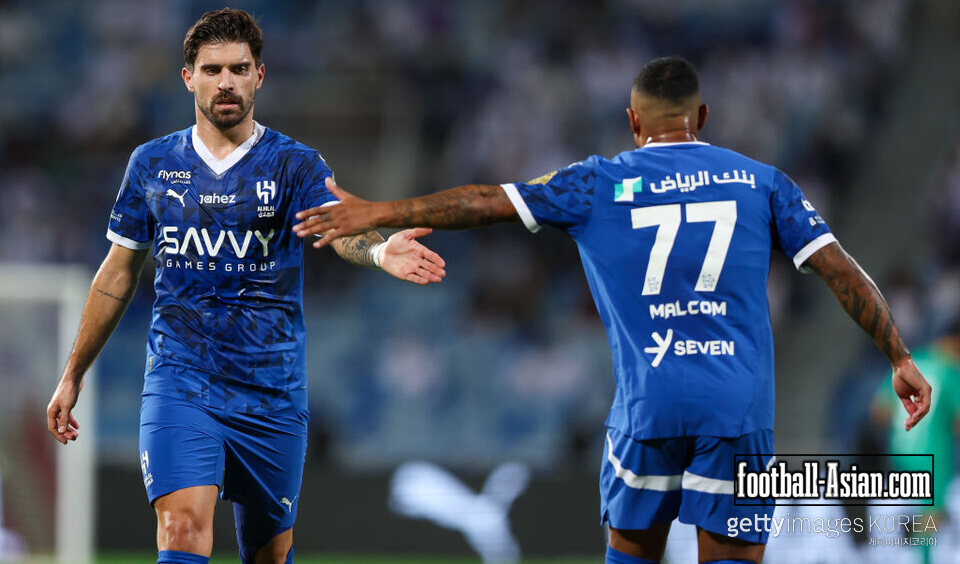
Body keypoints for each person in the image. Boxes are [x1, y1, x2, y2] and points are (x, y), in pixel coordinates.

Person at [293, 57, 932, 564]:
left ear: (632, 121)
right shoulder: (761, 181)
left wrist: (381, 212)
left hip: (648, 406)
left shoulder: (596, 182)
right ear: (702, 116)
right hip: (736, 412)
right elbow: (840, 269)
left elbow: (485, 200)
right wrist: (898, 355)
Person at [45, 8, 446, 564]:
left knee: (268, 555)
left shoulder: (294, 164)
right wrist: (73, 373)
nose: (226, 81)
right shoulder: (153, 164)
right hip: (180, 379)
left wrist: (378, 249)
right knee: (182, 529)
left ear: (260, 75)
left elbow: (337, 226)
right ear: (189, 77)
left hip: (271, 392)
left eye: (239, 68)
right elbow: (118, 272)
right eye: (212, 70)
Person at [872, 323, 960, 564]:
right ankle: (923, 560)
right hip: (933, 452)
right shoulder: (950, 371)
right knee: (931, 515)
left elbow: (879, 411)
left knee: (906, 514)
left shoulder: (908, 364)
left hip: (900, 451)